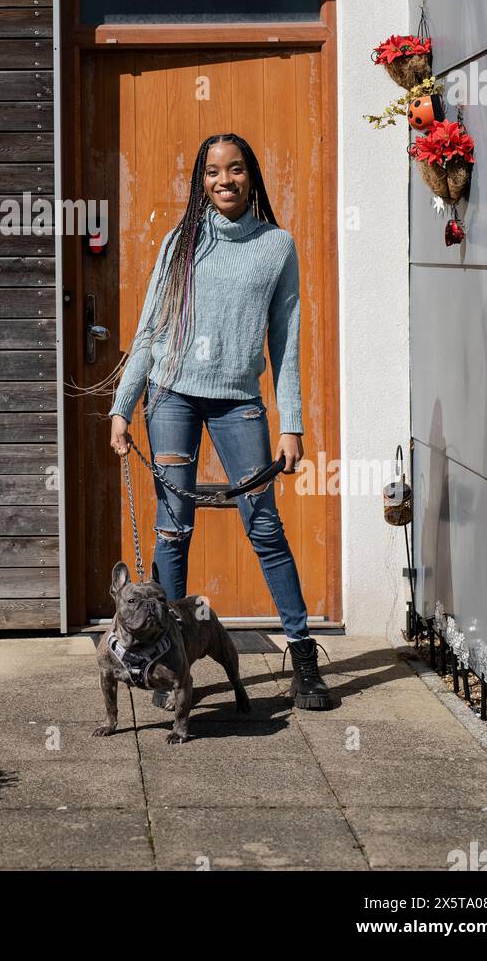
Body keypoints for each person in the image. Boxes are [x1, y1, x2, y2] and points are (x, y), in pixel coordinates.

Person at [106, 133, 335, 711]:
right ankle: (165, 653)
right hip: (171, 398)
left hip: (239, 403)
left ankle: (303, 657)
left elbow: (286, 341)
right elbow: (150, 331)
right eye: (212, 171)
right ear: (200, 180)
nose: (223, 180)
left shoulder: (276, 246)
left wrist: (293, 424)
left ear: (251, 176)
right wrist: (121, 405)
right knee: (174, 526)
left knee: (264, 527)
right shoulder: (181, 241)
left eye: (234, 169)